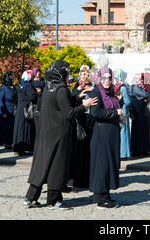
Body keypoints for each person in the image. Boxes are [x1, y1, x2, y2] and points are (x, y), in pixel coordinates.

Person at [24, 60, 97, 209]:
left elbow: (60, 103)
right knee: (57, 166)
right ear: (62, 73)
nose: (69, 75)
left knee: (43, 164)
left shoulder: (49, 87)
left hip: (46, 132)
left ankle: (30, 197)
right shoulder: (61, 89)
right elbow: (69, 113)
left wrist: (76, 97)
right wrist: (84, 105)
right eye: (68, 72)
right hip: (59, 133)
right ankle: (54, 200)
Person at [89, 67, 124, 209]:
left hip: (111, 133)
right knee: (102, 164)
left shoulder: (111, 93)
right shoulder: (96, 91)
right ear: (99, 78)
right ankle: (101, 198)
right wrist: (116, 113)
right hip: (102, 133)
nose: (107, 81)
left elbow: (114, 108)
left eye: (109, 78)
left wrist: (120, 116)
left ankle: (105, 195)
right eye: (103, 77)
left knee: (109, 164)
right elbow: (96, 113)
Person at [67, 67, 95, 190]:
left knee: (87, 152)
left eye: (85, 76)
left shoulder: (93, 89)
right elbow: (72, 104)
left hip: (89, 122)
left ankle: (86, 179)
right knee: (76, 151)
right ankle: (74, 178)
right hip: (78, 123)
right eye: (81, 76)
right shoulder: (75, 90)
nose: (82, 79)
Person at [13, 70, 40, 156]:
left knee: (19, 128)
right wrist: (37, 93)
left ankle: (18, 147)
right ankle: (22, 147)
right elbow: (32, 96)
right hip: (25, 109)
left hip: (20, 109)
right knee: (24, 128)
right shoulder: (28, 85)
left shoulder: (22, 85)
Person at [130, 72, 150, 157]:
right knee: (137, 131)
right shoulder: (135, 87)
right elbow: (146, 94)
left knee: (144, 131)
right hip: (138, 112)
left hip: (144, 112)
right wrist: (146, 96)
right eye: (142, 79)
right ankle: (136, 150)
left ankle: (144, 150)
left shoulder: (145, 87)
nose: (142, 81)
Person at [113, 69, 132, 160]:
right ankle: (123, 153)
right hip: (123, 110)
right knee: (124, 132)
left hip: (116, 110)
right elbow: (127, 101)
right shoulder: (123, 87)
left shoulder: (113, 86)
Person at [0, 72, 17, 149]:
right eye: (11, 77)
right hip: (4, 111)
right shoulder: (2, 88)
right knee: (3, 128)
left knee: (10, 128)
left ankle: (9, 143)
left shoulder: (13, 88)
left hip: (11, 111)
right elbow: (0, 101)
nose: (13, 78)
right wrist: (3, 112)